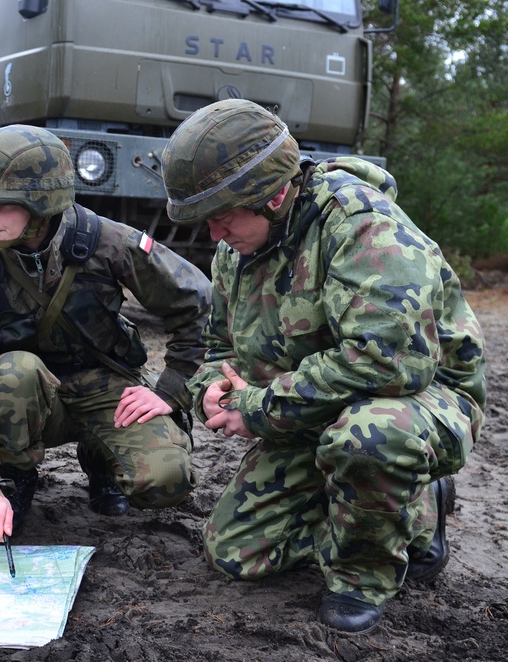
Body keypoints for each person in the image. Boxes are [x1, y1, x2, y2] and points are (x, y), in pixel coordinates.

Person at [160, 99, 487, 634]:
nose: (214, 235)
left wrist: (259, 408)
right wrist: (210, 391)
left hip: (418, 398)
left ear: (274, 194)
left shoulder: (363, 228)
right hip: (312, 408)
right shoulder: (235, 250)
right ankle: (381, 506)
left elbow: (384, 362)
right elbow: (214, 344)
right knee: (235, 555)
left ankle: (364, 573)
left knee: (369, 438)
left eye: (222, 217)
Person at [0, 125, 212, 547]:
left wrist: (170, 391)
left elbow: (198, 302)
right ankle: (17, 476)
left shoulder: (106, 242)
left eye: (0, 205)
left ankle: (101, 460)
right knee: (13, 372)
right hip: (25, 398)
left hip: (106, 388)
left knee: (167, 481)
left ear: (41, 203)